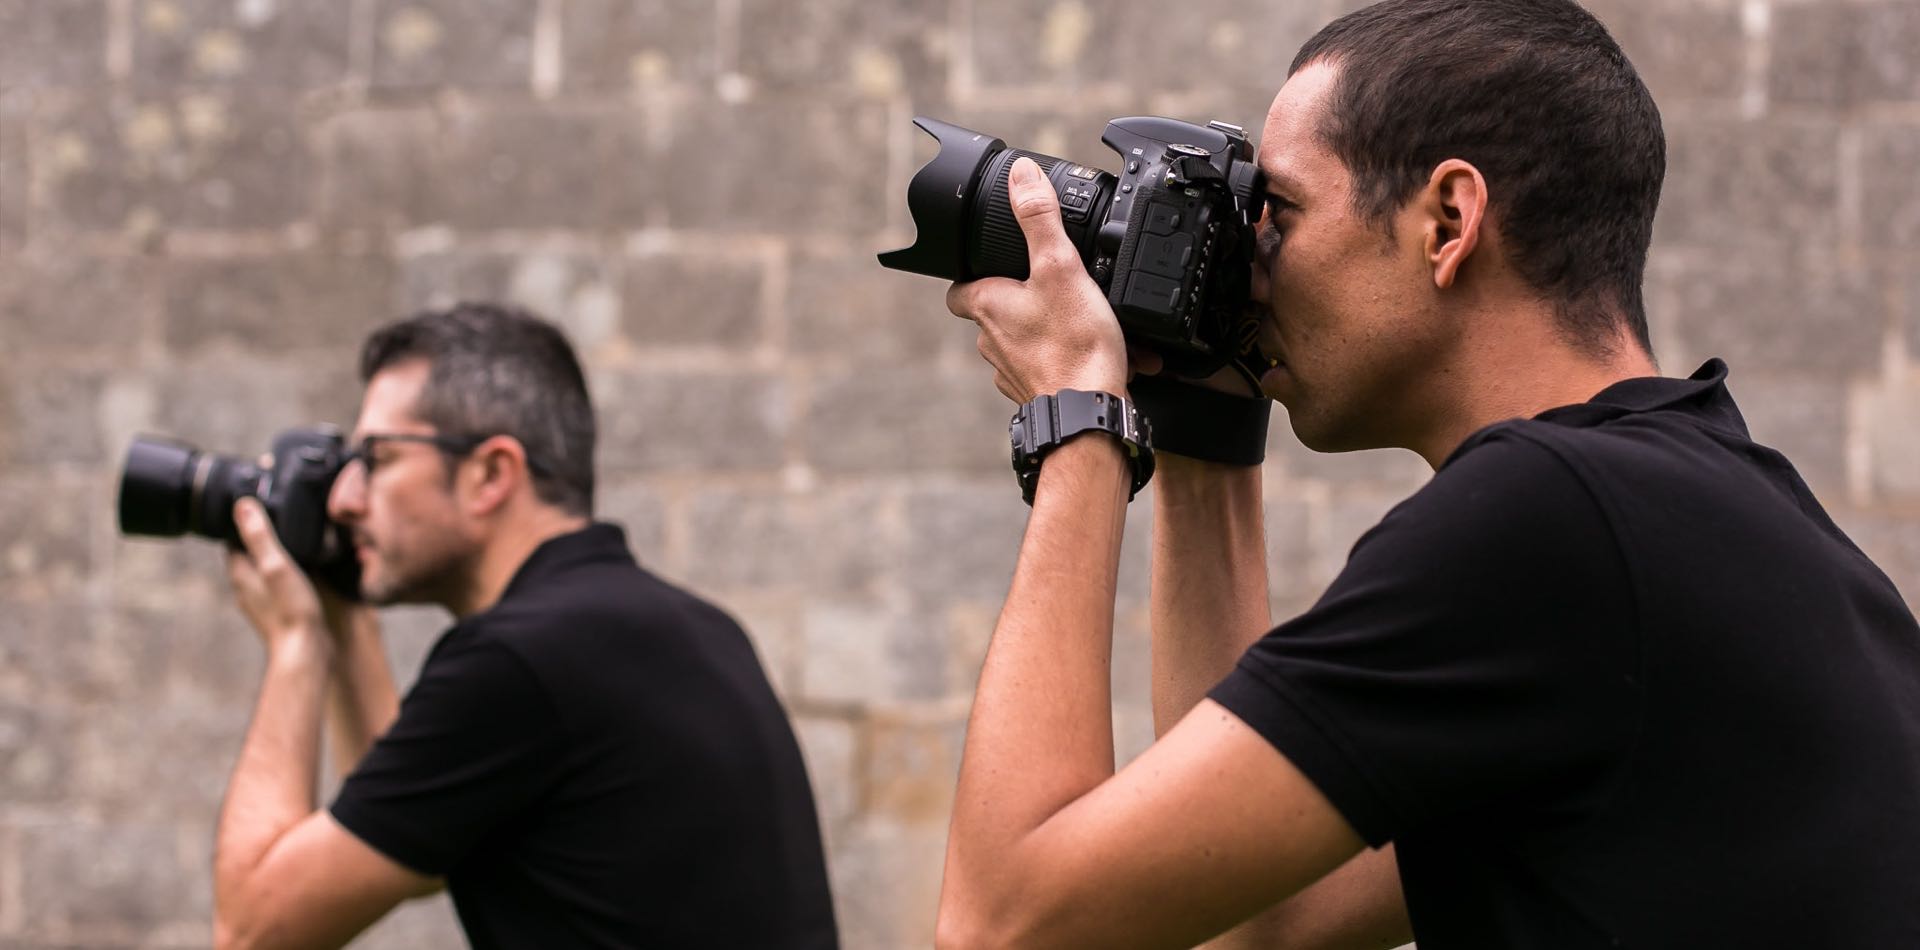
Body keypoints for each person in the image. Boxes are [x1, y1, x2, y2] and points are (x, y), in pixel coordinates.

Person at [936, 1, 1920, 947]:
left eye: (1277, 212)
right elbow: (1255, 917)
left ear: (1448, 221)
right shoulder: (1717, 504)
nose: (1254, 265)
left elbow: (1004, 922)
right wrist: (1204, 431)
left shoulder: (1544, 517)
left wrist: (1077, 421)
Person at [210, 303, 838, 949]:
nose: (345, 498)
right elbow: (410, 831)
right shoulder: (687, 628)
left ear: (490, 474)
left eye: (379, 458)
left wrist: (295, 642)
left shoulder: (517, 660)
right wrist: (344, 618)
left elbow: (253, 931)